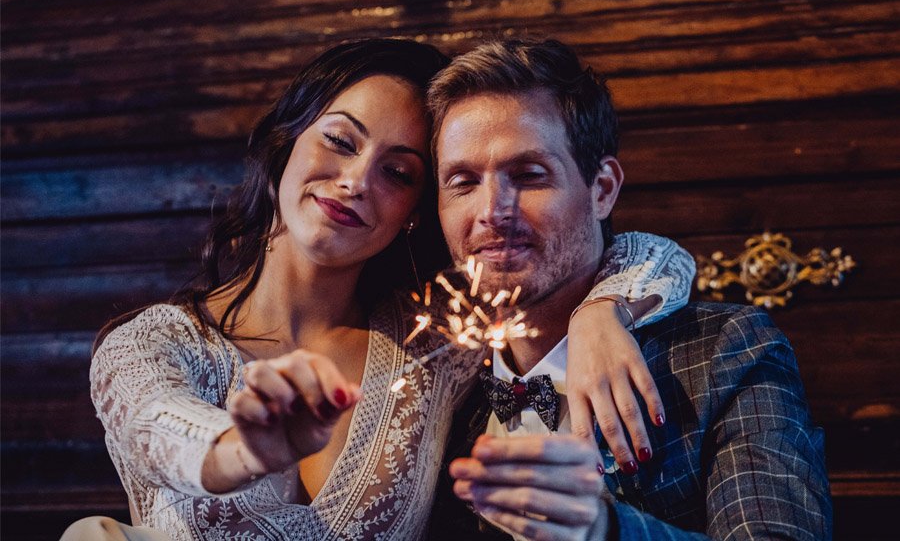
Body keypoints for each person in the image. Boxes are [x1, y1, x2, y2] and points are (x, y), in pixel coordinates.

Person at [66, 39, 691, 541]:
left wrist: (603, 314)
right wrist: (241, 449)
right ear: (289, 143)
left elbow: (643, 253)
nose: (355, 181)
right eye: (340, 141)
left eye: (397, 172)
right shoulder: (148, 344)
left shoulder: (435, 336)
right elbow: (159, 432)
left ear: (416, 211)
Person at [426, 39, 832, 540]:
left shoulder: (729, 351)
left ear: (602, 189)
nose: (492, 209)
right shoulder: (445, 392)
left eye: (529, 175)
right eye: (462, 181)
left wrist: (603, 529)